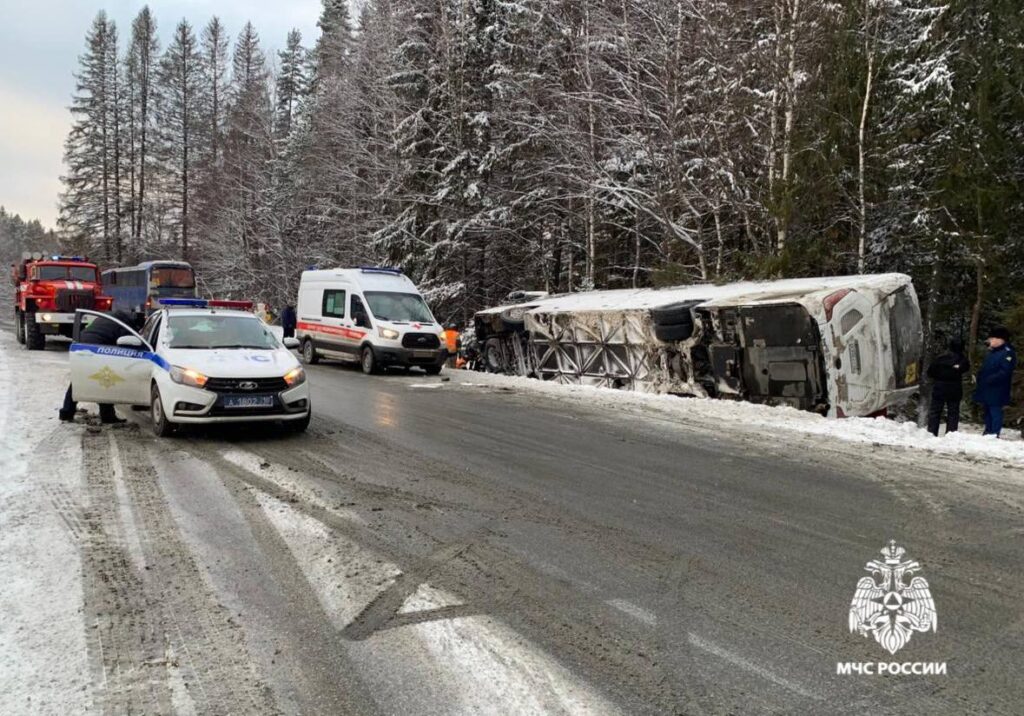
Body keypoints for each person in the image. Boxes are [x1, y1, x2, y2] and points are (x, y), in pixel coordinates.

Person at [58, 311, 134, 424]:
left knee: (78, 380)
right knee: (105, 380)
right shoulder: (123, 324)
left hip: (81, 344)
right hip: (98, 346)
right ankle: (107, 415)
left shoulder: (103, 318)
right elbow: (125, 343)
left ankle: (66, 412)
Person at [973, 326, 1017, 437]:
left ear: (1000, 339)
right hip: (987, 387)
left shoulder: (1008, 353)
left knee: (995, 410)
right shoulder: (993, 352)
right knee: (987, 410)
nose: (990, 341)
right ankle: (988, 430)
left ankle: (994, 432)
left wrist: (991, 379)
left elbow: (1005, 371)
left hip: (997, 388)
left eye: (992, 338)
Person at [925, 338, 969, 436]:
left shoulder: (941, 358)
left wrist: (938, 377)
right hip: (955, 388)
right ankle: (951, 433)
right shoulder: (962, 360)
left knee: (935, 411)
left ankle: (932, 432)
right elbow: (966, 368)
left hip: (939, 386)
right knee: (953, 412)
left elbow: (930, 372)